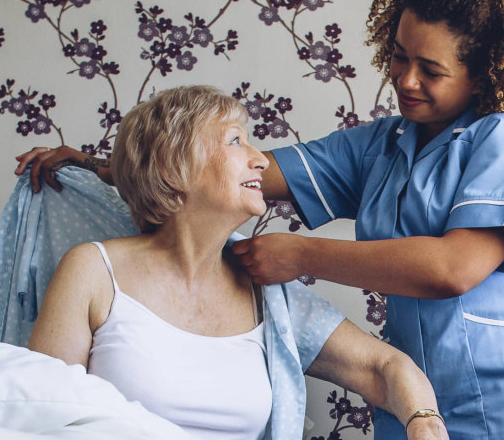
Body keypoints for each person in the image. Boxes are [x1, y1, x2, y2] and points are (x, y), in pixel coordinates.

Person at [16, 0, 504, 437]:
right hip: (423, 400)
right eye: (399, 58)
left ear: (486, 71)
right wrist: (103, 165)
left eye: (430, 69)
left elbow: (453, 268)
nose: (405, 79)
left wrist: (302, 255)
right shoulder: (380, 146)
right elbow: (219, 172)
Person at [25, 85, 449, 440]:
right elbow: (37, 417)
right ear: (175, 166)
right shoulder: (93, 272)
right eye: (235, 140)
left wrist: (423, 421)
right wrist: (90, 164)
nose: (261, 159)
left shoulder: (269, 294)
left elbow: (385, 366)